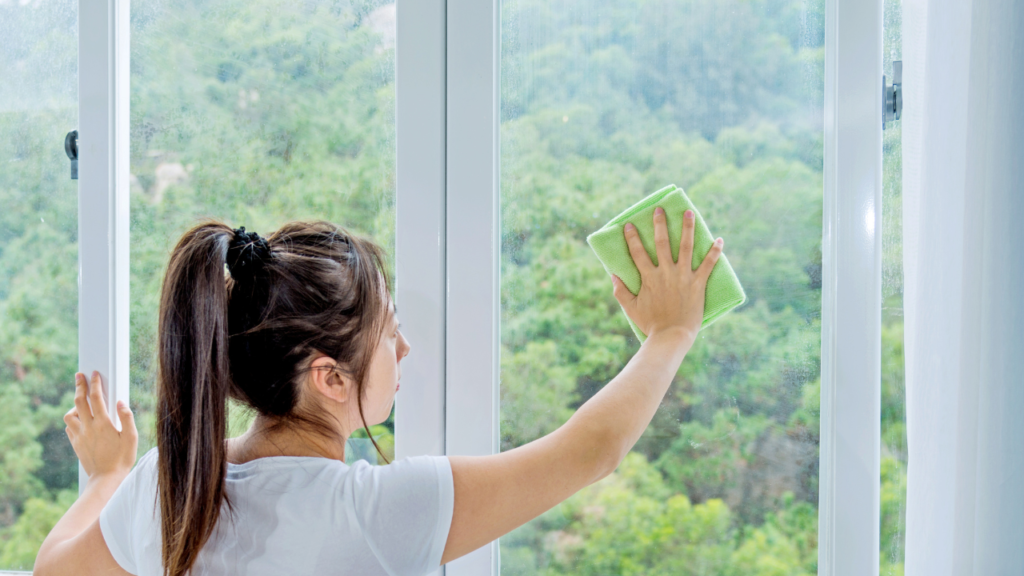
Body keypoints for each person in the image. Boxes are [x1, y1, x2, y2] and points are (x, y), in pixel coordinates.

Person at [34, 209, 723, 576]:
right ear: (331, 378)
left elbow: (53, 572)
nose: (404, 350)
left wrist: (107, 476)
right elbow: (590, 451)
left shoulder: (166, 487)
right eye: (390, 335)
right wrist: (669, 333)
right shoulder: (371, 513)